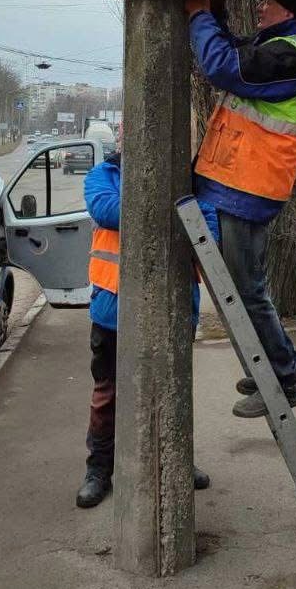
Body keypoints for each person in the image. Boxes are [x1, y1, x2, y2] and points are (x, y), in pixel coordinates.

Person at [184, 0, 296, 419]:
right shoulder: (273, 48)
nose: (260, 6)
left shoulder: (290, 55)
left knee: (245, 292)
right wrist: (211, 9)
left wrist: (197, 16)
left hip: (246, 189)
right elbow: (230, 49)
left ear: (287, 9)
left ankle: (282, 380)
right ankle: (283, 369)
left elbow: (222, 65)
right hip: (236, 185)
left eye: (267, 0)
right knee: (242, 290)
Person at [76, 149, 219, 509]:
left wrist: (165, 210)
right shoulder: (103, 175)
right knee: (108, 394)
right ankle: (98, 471)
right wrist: (170, 209)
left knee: (172, 391)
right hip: (114, 312)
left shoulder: (190, 182)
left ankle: (176, 463)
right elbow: (108, 212)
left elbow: (208, 229)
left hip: (175, 310)